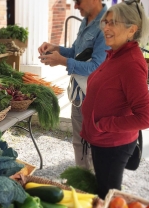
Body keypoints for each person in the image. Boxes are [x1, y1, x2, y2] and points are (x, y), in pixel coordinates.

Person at [80, 0, 149, 199]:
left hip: (112, 144)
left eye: (114, 23)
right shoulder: (115, 55)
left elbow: (145, 118)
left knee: (108, 195)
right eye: (106, 22)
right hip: (103, 139)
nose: (106, 28)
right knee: (102, 187)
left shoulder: (131, 64)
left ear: (132, 30)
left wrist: (103, 125)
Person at [37, 0, 109, 170]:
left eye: (78, 1)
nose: (75, 6)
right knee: (79, 142)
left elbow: (96, 68)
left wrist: (62, 62)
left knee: (93, 146)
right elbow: (76, 52)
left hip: (93, 99)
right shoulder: (86, 20)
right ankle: (83, 183)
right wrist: (57, 48)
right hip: (78, 95)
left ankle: (93, 189)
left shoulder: (106, 25)